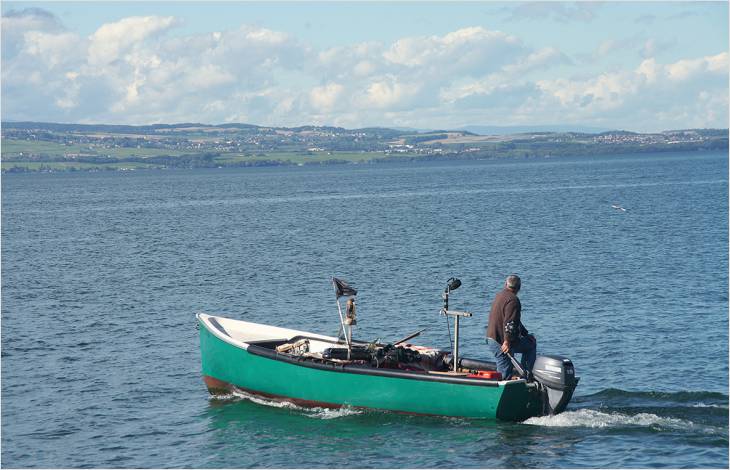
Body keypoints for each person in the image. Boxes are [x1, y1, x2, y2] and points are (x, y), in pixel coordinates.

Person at [486, 274, 536, 380]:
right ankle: (526, 378)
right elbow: (510, 323)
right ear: (519, 288)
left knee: (505, 368)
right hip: (500, 341)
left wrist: (525, 334)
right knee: (505, 373)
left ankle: (523, 377)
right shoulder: (513, 300)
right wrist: (507, 342)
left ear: (505, 284)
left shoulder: (499, 295)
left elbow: (514, 321)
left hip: (491, 338)